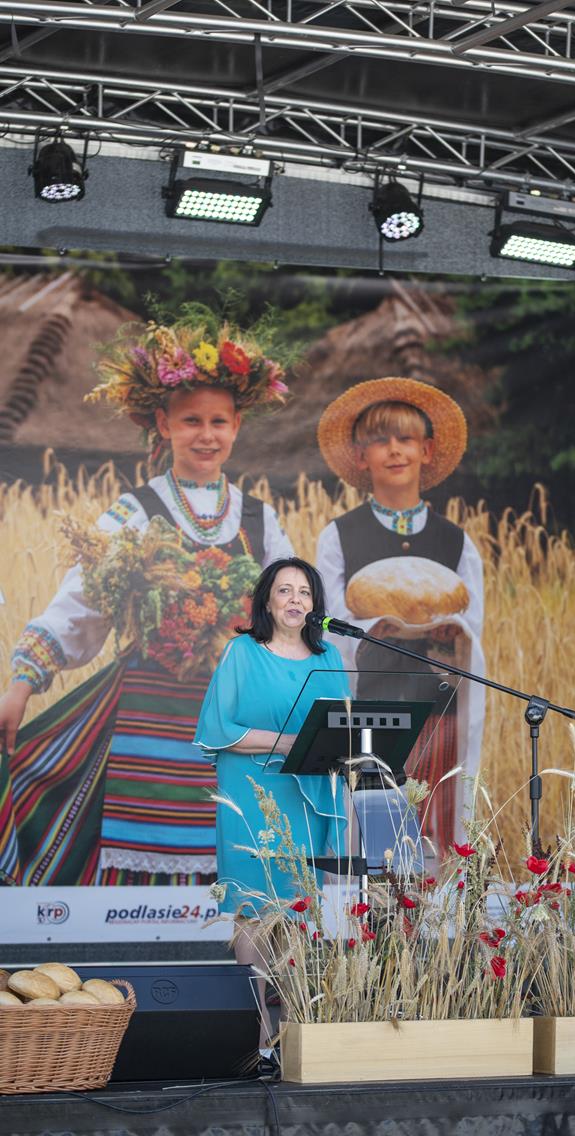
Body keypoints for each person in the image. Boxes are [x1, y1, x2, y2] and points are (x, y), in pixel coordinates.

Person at [0, 306, 293, 886]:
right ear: (163, 423)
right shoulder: (134, 511)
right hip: (148, 716)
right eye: (191, 421)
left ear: (237, 426)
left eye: (218, 421)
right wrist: (20, 686)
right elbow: (79, 607)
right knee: (140, 843)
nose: (206, 435)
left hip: (238, 720)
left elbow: (292, 614)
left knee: (235, 847)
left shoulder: (260, 521)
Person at [315, 376, 484, 853]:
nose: (394, 450)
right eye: (380, 440)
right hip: (371, 705)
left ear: (426, 451)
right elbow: (327, 621)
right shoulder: (339, 536)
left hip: (438, 711)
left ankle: (434, 901)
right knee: (377, 834)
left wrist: (453, 633)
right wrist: (374, 628)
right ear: (360, 456)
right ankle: (377, 899)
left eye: (406, 439)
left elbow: (474, 623)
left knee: (434, 828)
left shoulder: (456, 541)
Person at [194, 557, 348, 916]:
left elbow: (342, 723)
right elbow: (218, 729)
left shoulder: (330, 657)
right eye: (285, 590)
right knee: (253, 909)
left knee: (297, 908)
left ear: (314, 605)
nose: (295, 599)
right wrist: (290, 743)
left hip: (307, 797)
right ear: (266, 601)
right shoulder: (242, 651)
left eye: (305, 593)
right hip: (252, 794)